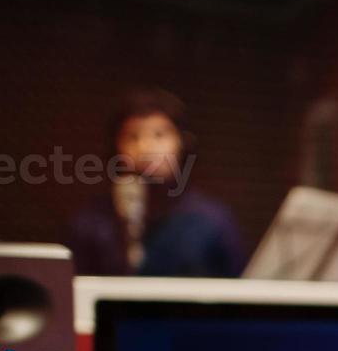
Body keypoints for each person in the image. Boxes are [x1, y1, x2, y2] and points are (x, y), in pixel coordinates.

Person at [66, 88, 245, 278]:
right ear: (116, 148)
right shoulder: (90, 222)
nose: (146, 147)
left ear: (182, 143)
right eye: (133, 136)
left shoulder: (213, 220)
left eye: (159, 135)